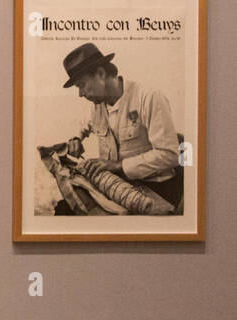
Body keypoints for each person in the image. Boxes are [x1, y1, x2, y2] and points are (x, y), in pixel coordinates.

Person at [60, 43, 182, 211]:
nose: (80, 94)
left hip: (157, 189)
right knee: (66, 208)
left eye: (82, 85)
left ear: (101, 74)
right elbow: (83, 125)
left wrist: (118, 165)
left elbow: (171, 155)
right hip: (118, 185)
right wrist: (76, 139)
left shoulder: (149, 97)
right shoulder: (97, 105)